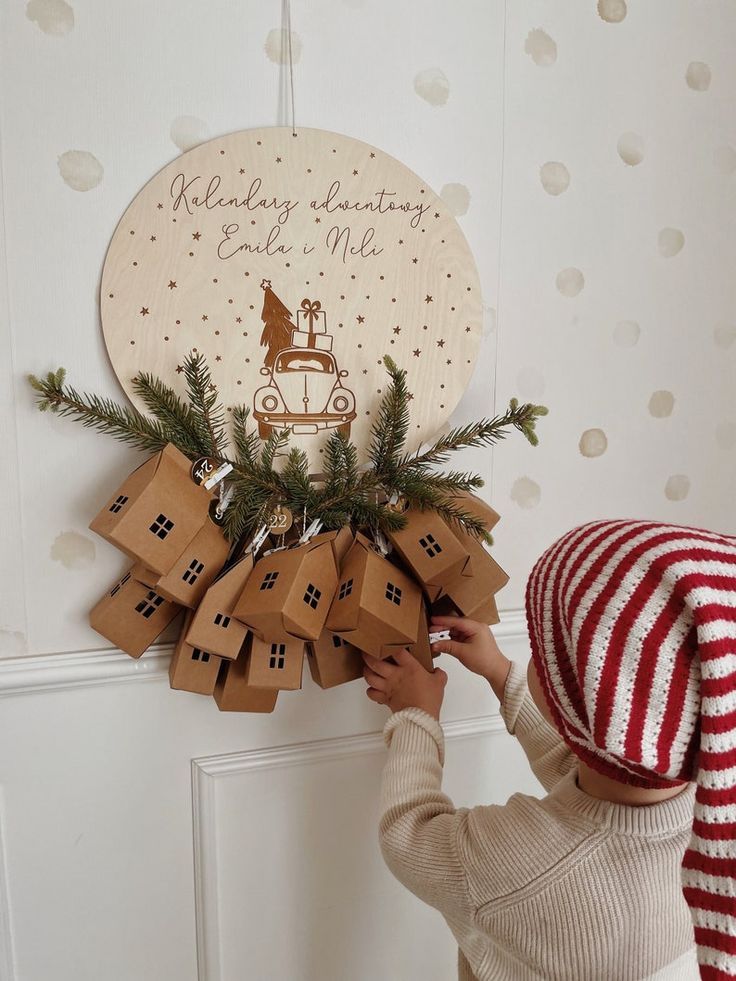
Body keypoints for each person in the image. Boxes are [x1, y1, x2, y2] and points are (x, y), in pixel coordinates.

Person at [363, 519, 736, 980]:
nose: (536, 660)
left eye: (543, 653)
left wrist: (415, 716)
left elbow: (408, 834)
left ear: (578, 696)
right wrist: (501, 673)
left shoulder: (513, 865)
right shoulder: (712, 819)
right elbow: (590, 782)